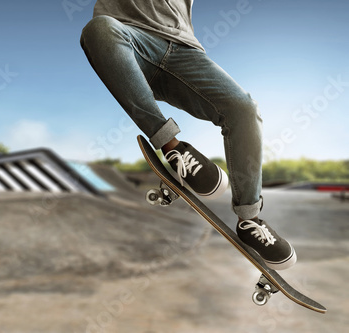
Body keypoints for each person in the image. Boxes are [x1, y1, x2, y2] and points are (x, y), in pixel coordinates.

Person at [80, 0, 296, 270]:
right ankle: (173, 148)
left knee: (244, 109)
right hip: (128, 40)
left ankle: (249, 219)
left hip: (184, 52)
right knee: (99, 29)